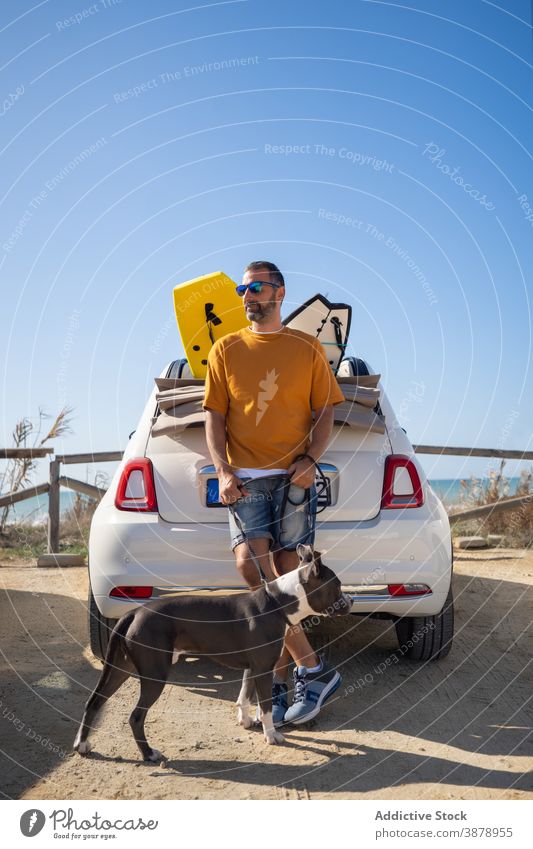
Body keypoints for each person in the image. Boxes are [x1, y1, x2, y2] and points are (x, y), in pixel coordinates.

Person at [203, 260, 345, 726]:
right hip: (243, 478)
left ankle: (278, 688)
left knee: (286, 574)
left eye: (257, 287)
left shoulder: (305, 349)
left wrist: (311, 460)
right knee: (251, 567)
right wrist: (223, 471)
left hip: (293, 478)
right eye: (243, 289)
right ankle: (313, 666)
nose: (248, 296)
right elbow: (215, 418)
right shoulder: (225, 349)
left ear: (280, 293)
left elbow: (324, 410)